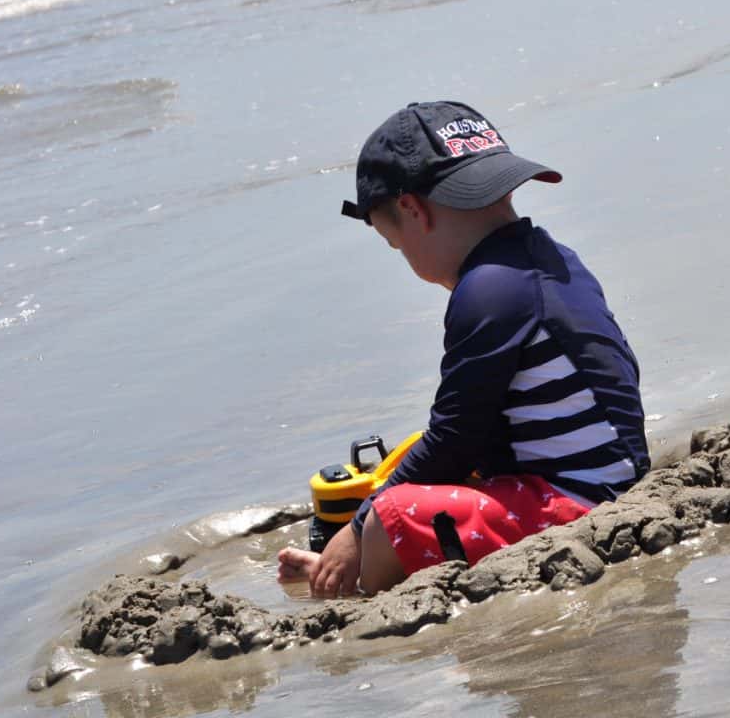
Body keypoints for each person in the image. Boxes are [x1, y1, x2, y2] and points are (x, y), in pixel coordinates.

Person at [278, 101, 649, 596]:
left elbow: (454, 440)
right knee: (421, 479)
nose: (404, 256)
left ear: (412, 210)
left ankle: (352, 581)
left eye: (396, 244)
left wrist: (357, 527)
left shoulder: (489, 290)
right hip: (611, 481)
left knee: (392, 514)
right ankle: (352, 560)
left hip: (577, 505)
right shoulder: (552, 259)